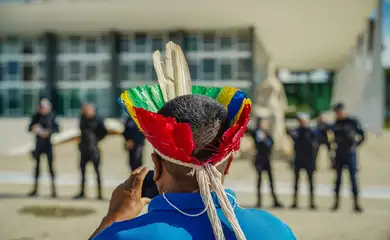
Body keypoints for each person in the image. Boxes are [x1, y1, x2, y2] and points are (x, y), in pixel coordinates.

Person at [89, 42, 295, 240]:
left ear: (157, 166)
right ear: (229, 162)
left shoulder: (121, 235)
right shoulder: (276, 230)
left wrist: (113, 219)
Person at [330, 103, 365, 213]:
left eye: (339, 111)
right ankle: (336, 203)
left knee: (353, 179)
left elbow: (362, 136)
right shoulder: (336, 123)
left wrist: (355, 145)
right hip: (339, 153)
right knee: (338, 179)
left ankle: (356, 203)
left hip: (350, 153)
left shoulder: (352, 121)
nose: (338, 113)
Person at [74, 103, 108, 200]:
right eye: (85, 110)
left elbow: (104, 132)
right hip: (83, 149)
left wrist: (96, 139)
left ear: (93, 110)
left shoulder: (98, 119)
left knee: (97, 171)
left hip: (94, 149)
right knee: (82, 171)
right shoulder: (82, 118)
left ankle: (100, 194)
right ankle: (82, 192)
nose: (86, 112)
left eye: (88, 110)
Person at [27, 98, 59, 198]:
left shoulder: (52, 116)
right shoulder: (36, 116)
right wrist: (35, 128)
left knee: (50, 167)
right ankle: (35, 189)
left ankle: (53, 191)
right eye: (41, 107)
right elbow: (29, 128)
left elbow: (56, 129)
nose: (43, 109)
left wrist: (48, 132)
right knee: (37, 167)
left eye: (44, 107)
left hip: (48, 145)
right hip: (38, 145)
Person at [250, 117, 283, 208]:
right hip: (259, 159)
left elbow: (271, 144)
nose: (264, 125)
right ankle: (259, 201)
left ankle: (275, 201)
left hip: (267, 159)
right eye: (263, 123)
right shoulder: (256, 132)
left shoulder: (267, 134)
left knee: (271, 181)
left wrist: (265, 139)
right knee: (259, 181)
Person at [288, 113, 318, 210]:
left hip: (309, 160)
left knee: (310, 182)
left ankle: (312, 203)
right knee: (296, 182)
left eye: (303, 120)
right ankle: (295, 202)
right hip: (298, 159)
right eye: (300, 120)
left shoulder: (312, 131)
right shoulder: (296, 131)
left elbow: (316, 143)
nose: (301, 122)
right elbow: (290, 133)